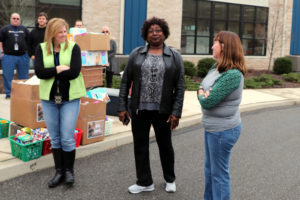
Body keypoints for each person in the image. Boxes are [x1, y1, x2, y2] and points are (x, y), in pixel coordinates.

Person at [118, 16, 185, 194]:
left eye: (158, 30)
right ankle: (144, 181)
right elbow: (125, 82)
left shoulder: (175, 56)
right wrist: (122, 107)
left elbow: (180, 86)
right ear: (146, 34)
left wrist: (176, 112)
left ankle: (170, 179)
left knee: (165, 146)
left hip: (163, 110)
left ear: (165, 33)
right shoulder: (136, 54)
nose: (155, 34)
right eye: (151, 31)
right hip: (140, 109)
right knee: (140, 146)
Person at [34, 18, 86, 188]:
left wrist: (51, 73)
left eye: (65, 31)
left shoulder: (74, 47)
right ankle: (59, 172)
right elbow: (40, 73)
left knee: (67, 137)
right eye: (61, 32)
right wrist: (57, 69)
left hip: (70, 98)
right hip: (49, 99)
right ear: (52, 33)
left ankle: (69, 172)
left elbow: (74, 72)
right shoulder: (41, 48)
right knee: (55, 138)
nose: (64, 35)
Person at [197, 31, 246, 200]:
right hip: (212, 127)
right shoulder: (216, 67)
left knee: (218, 174)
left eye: (215, 43)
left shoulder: (232, 75)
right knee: (210, 170)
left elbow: (207, 102)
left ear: (224, 47)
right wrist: (203, 92)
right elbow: (201, 87)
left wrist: (204, 94)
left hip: (223, 130)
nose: (212, 46)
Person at [0, 13, 30, 99]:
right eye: (14, 18)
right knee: (7, 76)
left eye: (17, 18)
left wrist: (29, 53)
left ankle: (22, 94)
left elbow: (29, 41)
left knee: (23, 76)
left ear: (19, 20)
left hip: (23, 56)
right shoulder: (4, 29)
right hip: (8, 56)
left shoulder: (24, 29)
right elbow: (0, 41)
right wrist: (1, 52)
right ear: (11, 19)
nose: (16, 20)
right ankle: (9, 94)